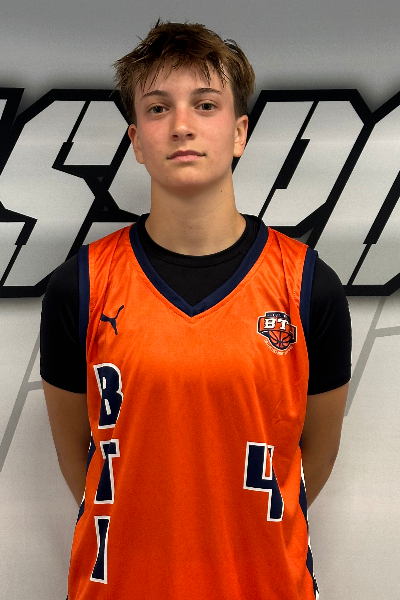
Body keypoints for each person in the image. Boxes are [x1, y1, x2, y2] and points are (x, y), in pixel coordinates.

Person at [41, 18, 351, 600]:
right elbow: (79, 458)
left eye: (205, 105)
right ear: (136, 140)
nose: (182, 125)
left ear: (239, 132)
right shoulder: (79, 286)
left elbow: (315, 454)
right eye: (158, 108)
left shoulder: (309, 286)